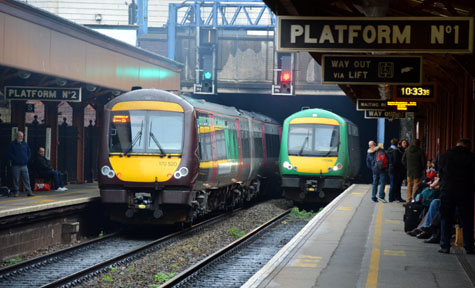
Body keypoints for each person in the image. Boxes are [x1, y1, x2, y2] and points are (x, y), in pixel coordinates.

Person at [438, 139, 475, 254]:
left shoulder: (446, 155)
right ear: (467, 147)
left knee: (445, 218)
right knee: (467, 219)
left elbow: (440, 172)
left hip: (448, 190)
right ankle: (468, 246)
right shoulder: (471, 157)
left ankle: (445, 245)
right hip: (466, 192)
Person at [8, 131, 35, 197]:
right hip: (16, 165)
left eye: (22, 136)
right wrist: (15, 160)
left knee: (26, 178)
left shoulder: (25, 144)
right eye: (20, 136)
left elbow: (29, 152)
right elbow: (10, 153)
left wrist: (27, 159)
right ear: (17, 136)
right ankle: (16, 192)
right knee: (16, 179)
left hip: (24, 165)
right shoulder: (12, 144)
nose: (21, 137)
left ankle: (29, 191)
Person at [402, 139, 426, 203]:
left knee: (409, 185)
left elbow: (403, 160)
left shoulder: (407, 150)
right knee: (416, 185)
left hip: (409, 171)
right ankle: (413, 199)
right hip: (417, 171)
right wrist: (421, 169)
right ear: (419, 144)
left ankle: (408, 199)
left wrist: (407, 167)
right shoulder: (420, 151)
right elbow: (423, 162)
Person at [387, 138, 404, 202]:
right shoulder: (396, 151)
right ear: (397, 143)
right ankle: (391, 198)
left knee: (392, 183)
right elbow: (396, 161)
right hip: (395, 169)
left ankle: (391, 197)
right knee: (394, 184)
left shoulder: (389, 149)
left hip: (390, 168)